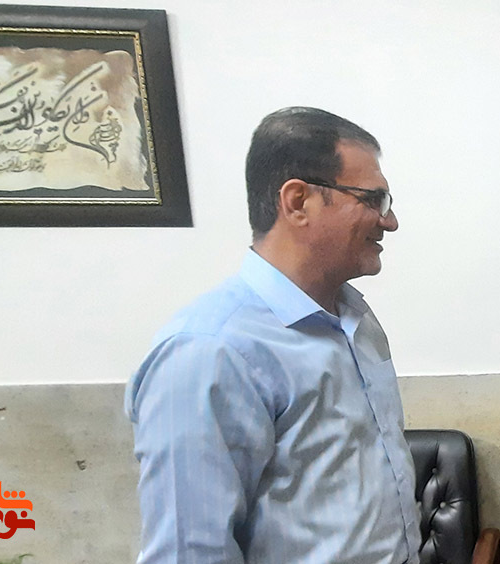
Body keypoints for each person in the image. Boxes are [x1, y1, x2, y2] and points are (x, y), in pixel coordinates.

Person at [125, 107, 420, 563]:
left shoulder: (355, 318)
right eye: (373, 200)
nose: (390, 221)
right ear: (298, 201)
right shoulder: (209, 351)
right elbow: (189, 553)